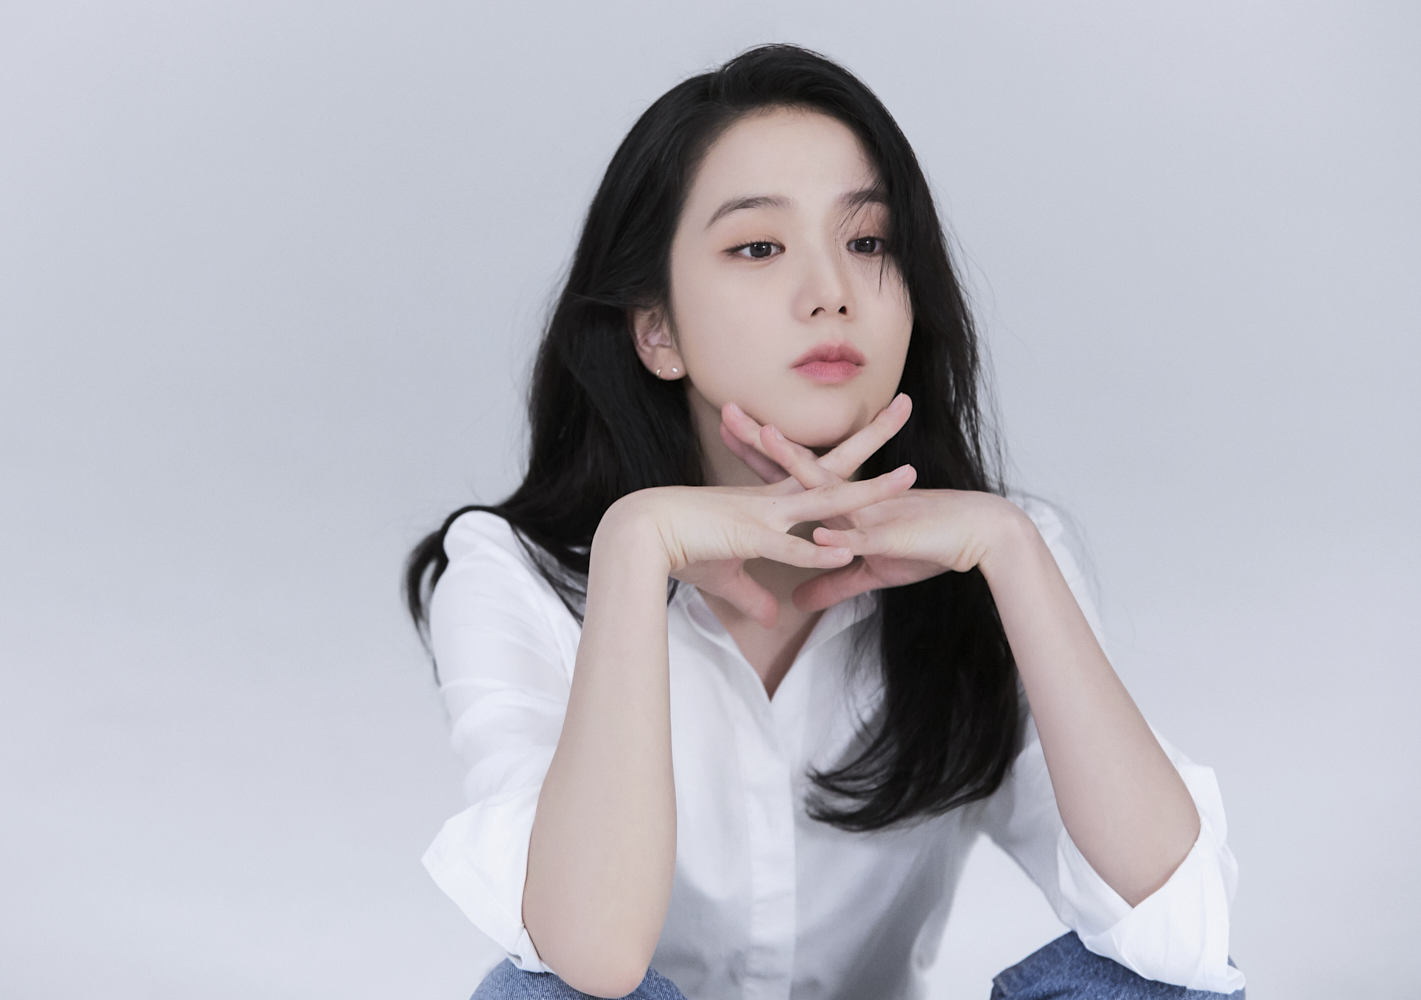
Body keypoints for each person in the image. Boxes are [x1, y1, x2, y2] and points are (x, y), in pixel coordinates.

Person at [406, 44, 1244, 1000]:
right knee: (543, 994)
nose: (831, 291)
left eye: (870, 242)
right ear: (657, 330)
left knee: (1152, 981)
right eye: (759, 248)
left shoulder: (990, 557)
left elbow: (1180, 931)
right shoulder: (510, 572)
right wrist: (635, 548)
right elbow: (589, 953)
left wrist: (1012, 551)